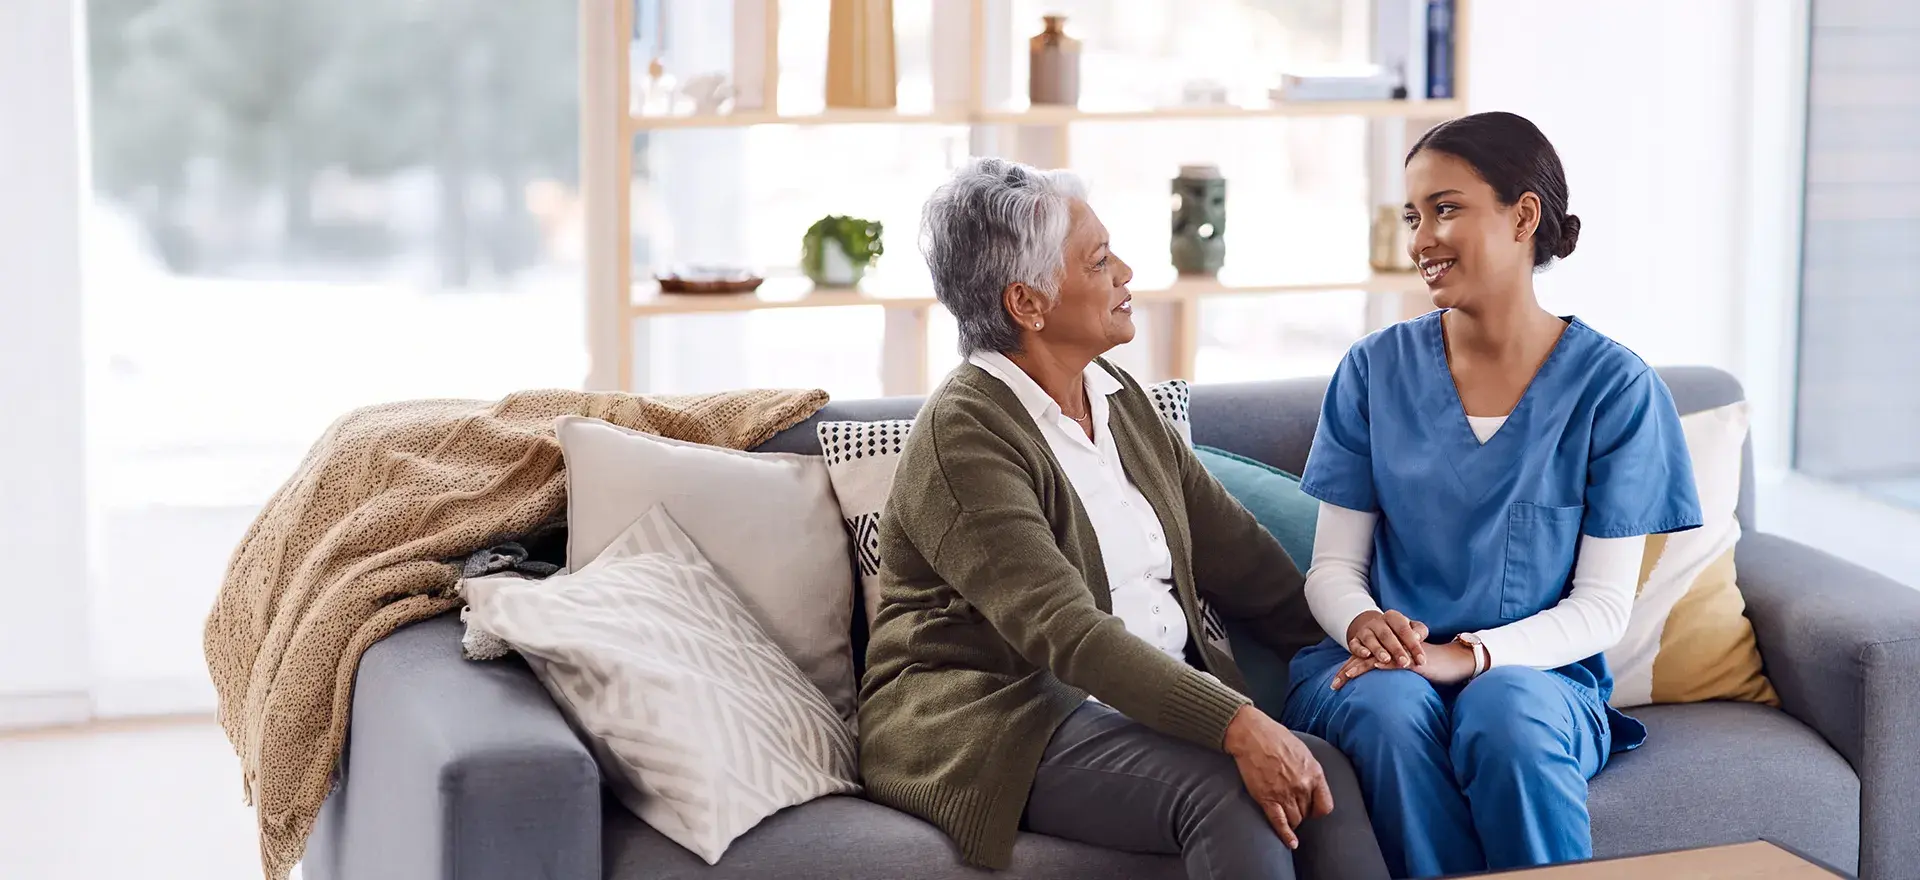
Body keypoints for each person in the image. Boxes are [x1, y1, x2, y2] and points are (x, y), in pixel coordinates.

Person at [857, 156, 1389, 880]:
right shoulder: (965, 436)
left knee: (1323, 771)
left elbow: (1244, 561)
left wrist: (1357, 649)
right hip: (1001, 717)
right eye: (1100, 261)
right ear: (1028, 303)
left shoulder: (1116, 398)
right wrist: (1236, 724)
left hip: (1119, 705)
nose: (1127, 274)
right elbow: (1067, 633)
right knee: (1230, 790)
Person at [1279, 111, 1704, 879]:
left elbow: (1604, 607)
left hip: (1538, 680)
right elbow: (1332, 568)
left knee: (1505, 711)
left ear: (1523, 216)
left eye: (1446, 209)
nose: (1421, 240)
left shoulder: (1615, 389)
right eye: (1413, 216)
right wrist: (1367, 624)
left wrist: (1468, 656)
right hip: (1384, 673)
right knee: (1387, 709)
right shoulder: (1373, 371)